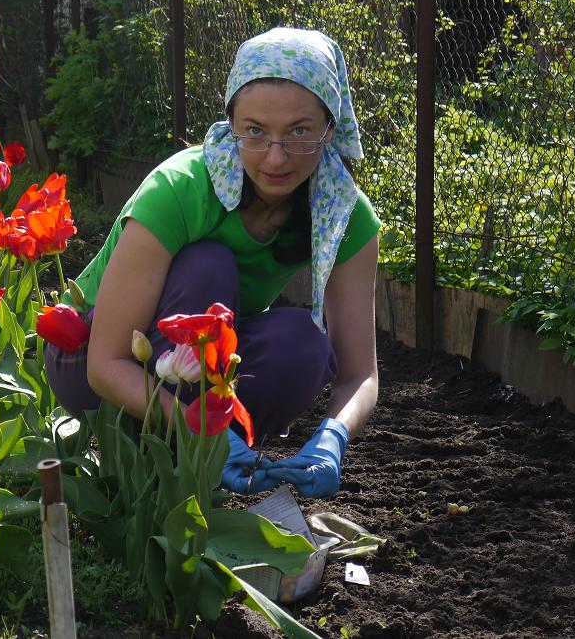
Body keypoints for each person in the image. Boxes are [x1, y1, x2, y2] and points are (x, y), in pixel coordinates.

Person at [43, 28, 380, 497]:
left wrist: (333, 437)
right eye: (255, 132)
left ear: (330, 128)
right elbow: (105, 363)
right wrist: (196, 424)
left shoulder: (342, 211)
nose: (276, 157)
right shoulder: (180, 188)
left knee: (303, 345)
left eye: (300, 132)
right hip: (91, 358)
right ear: (230, 124)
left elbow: (360, 373)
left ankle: (203, 464)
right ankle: (156, 455)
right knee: (208, 266)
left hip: (186, 367)